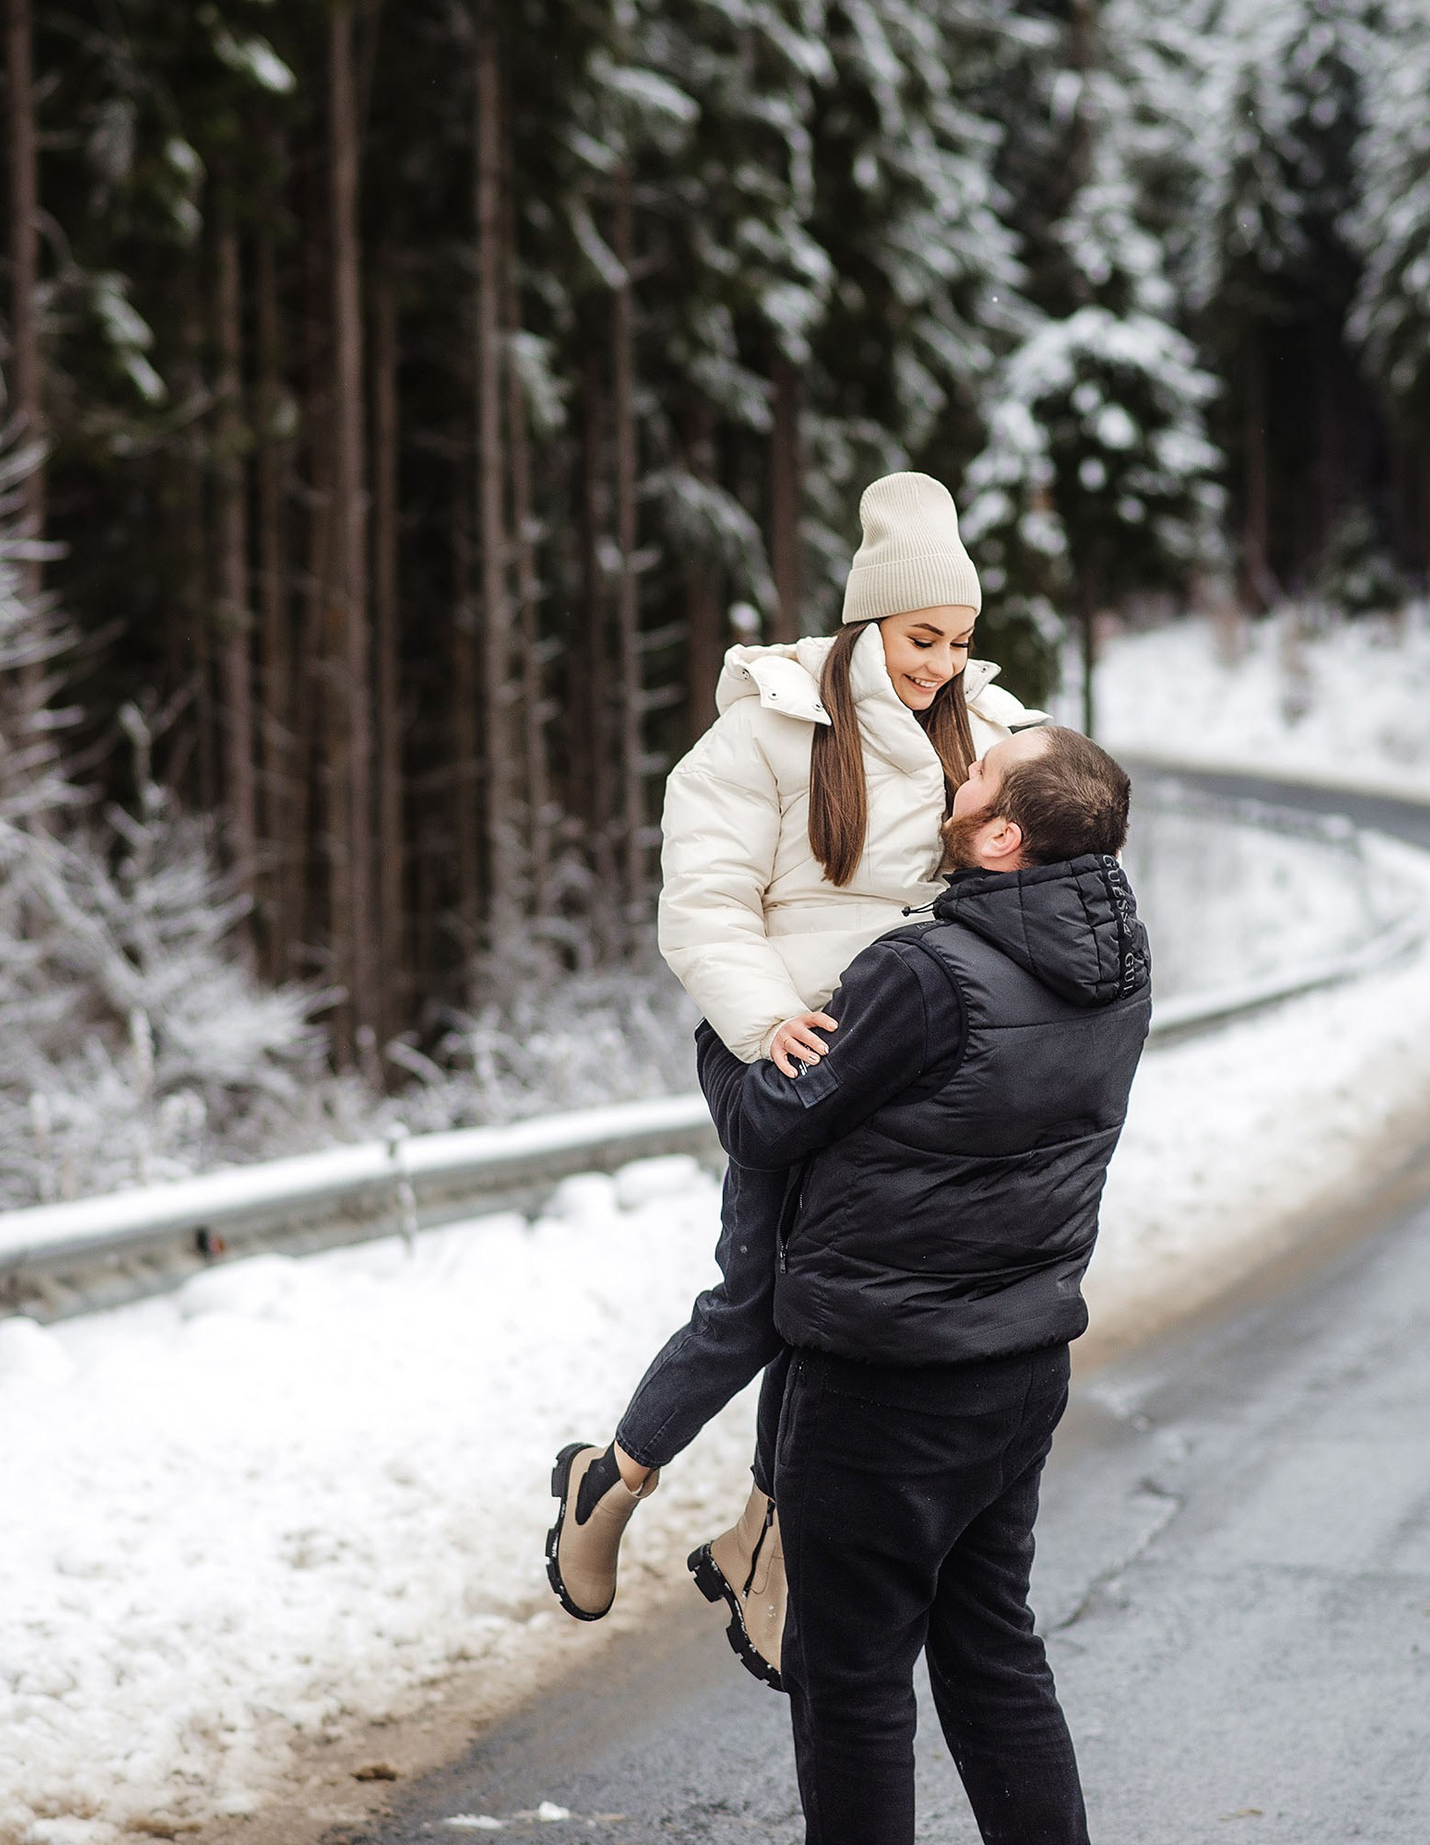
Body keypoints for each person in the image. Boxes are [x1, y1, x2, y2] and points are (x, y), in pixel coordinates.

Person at [545, 472, 1045, 1688]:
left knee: (843, 1311)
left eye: (960, 641)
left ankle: (763, 1536)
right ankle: (609, 1481)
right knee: (759, 1298)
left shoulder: (989, 727)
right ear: (871, 621)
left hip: (910, 1057)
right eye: (924, 639)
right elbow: (703, 903)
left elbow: (1048, 848)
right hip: (788, 1047)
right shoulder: (764, 730)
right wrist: (769, 1021)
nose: (942, 663)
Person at [698, 724, 1150, 1845]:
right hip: (1018, 1365)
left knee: (847, 1679)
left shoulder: (923, 974)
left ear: (1001, 835)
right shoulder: (1121, 962)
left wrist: (729, 1015)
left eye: (982, 771)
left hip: (882, 1383)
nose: (959, 773)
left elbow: (765, 1118)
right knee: (992, 1651)